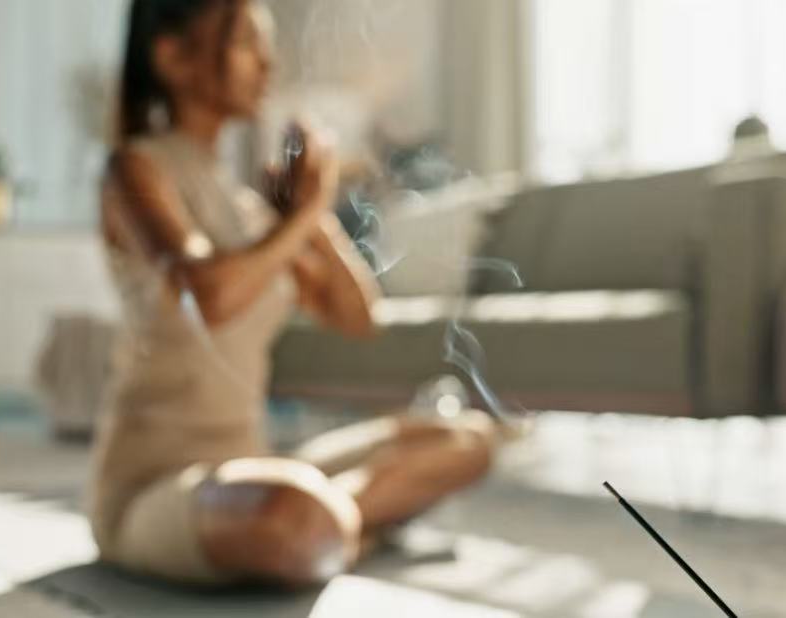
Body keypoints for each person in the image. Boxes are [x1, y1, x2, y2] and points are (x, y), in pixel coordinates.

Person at [89, 0, 497, 588]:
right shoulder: (134, 170)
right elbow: (203, 294)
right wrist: (299, 216)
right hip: (155, 488)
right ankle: (327, 530)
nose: (268, 62)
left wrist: (314, 219)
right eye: (246, 44)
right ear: (174, 58)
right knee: (289, 512)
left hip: (254, 471)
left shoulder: (255, 210)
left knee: (466, 439)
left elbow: (359, 316)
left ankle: (326, 531)